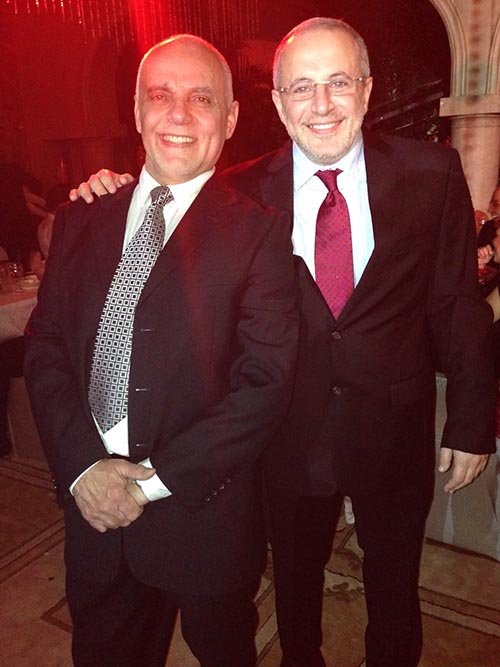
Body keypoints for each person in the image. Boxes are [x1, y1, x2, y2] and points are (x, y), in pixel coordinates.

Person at [71, 18, 495, 667]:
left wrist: (471, 419)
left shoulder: (431, 171)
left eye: (338, 82)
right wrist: (111, 189)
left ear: (367, 89)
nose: (321, 104)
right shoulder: (237, 186)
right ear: (276, 102)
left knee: (394, 591)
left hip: (393, 429)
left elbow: (456, 302)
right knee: (296, 592)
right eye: (301, 87)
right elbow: (164, 199)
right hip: (284, 438)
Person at [24, 34, 298, 667]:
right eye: (160, 95)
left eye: (201, 98)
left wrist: (147, 486)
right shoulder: (81, 218)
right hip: (94, 514)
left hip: (204, 518)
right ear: (136, 110)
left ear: (230, 118)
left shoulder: (258, 234)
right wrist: (83, 470)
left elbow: (265, 381)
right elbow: (47, 348)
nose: (178, 113)